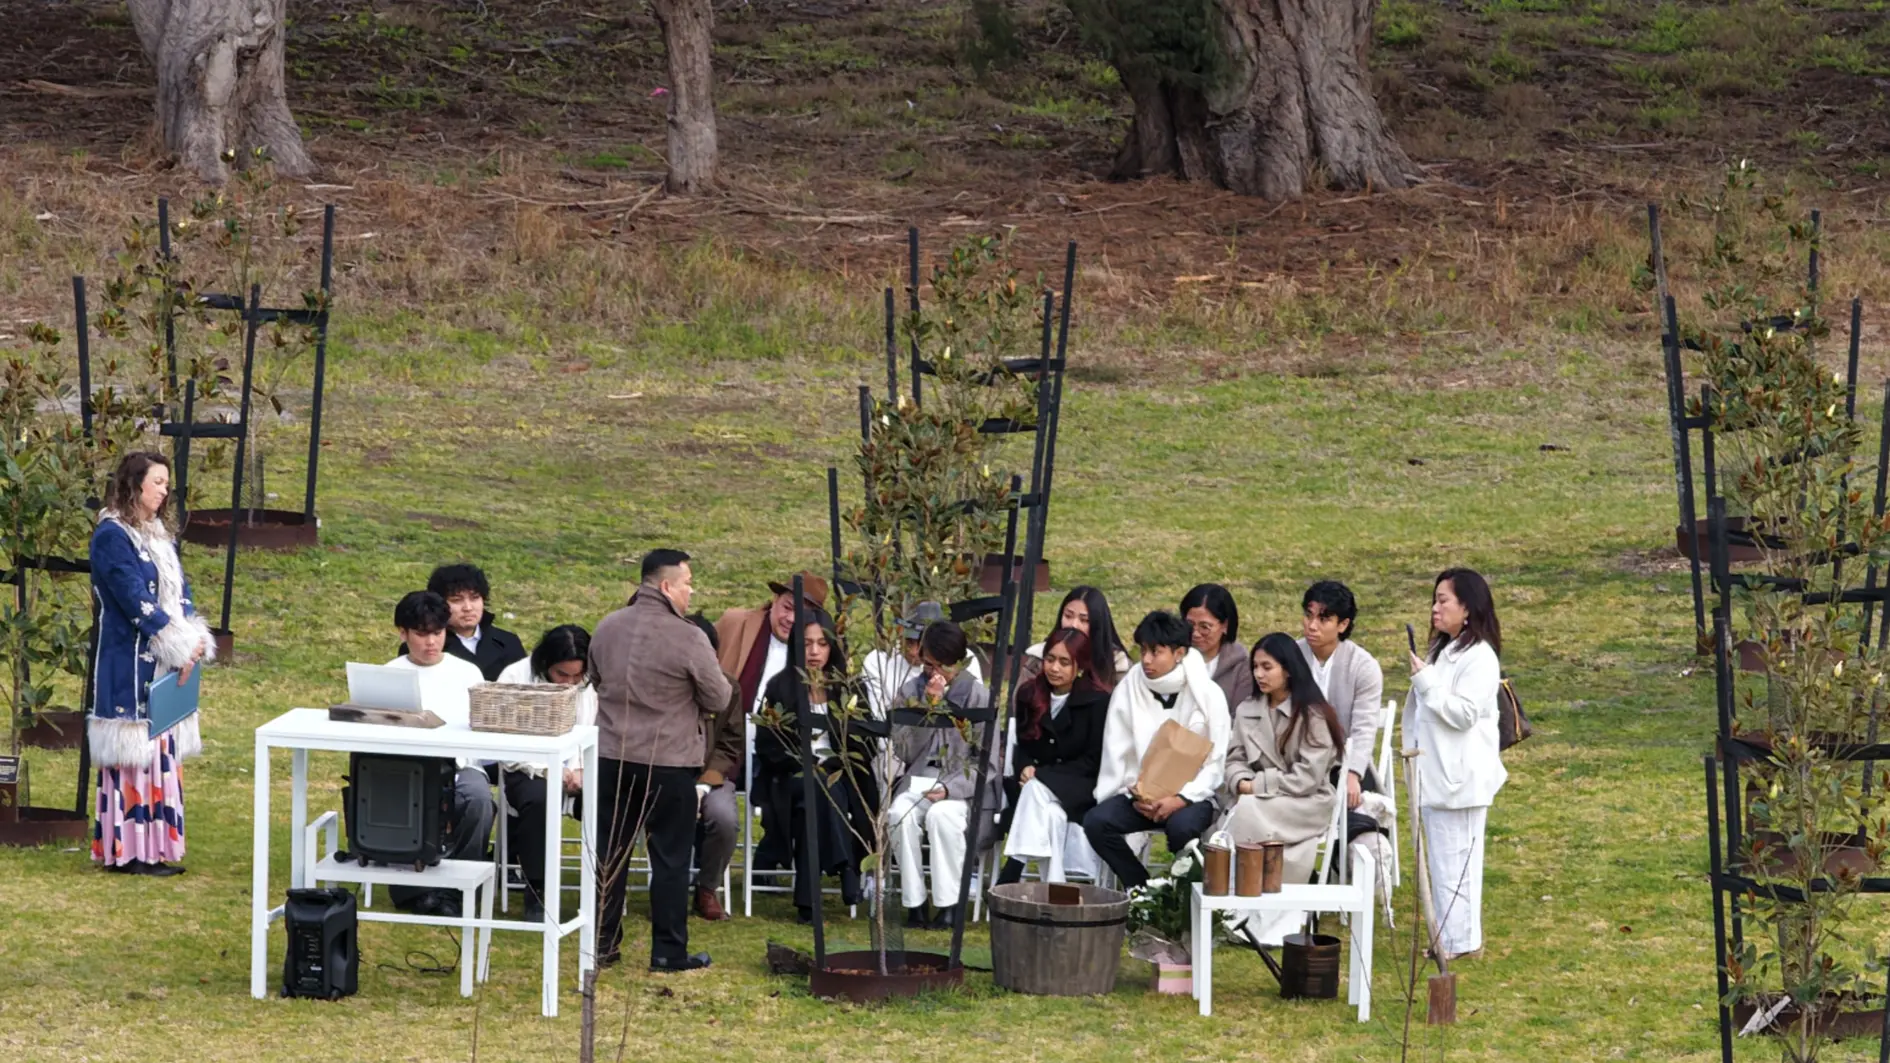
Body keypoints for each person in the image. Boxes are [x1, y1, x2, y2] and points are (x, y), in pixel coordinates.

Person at [591, 548, 730, 972]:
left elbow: (596, 680)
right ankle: (668, 951)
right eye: (688, 584)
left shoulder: (607, 626)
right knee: (669, 859)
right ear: (667, 585)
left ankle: (603, 943)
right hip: (667, 761)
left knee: (610, 856)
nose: (691, 592)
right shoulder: (689, 636)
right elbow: (720, 696)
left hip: (612, 756)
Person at [88, 451, 215, 877]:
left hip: (164, 658)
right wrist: (176, 642)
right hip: (129, 660)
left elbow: (180, 592)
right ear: (134, 485)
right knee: (134, 753)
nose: (164, 490)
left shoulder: (158, 534)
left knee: (160, 752)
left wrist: (193, 640)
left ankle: (155, 848)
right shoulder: (112, 536)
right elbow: (133, 600)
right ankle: (128, 853)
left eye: (165, 483)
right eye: (157, 482)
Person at [1083, 610, 1231, 890]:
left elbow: (1216, 762)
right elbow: (1118, 752)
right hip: (1142, 796)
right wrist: (1138, 794)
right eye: (1143, 651)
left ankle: (1185, 896)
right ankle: (1143, 890)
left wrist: (1181, 798)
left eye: (1156, 652)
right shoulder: (1129, 688)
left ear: (1179, 653)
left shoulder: (1208, 694)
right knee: (1096, 822)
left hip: (1193, 796)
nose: (1147, 660)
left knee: (1181, 828)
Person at [1404, 567, 1506, 962]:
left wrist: (1426, 682)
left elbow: (1463, 714)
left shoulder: (1479, 657)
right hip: (1436, 775)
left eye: (1443, 600)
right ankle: (1449, 936)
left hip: (1460, 779)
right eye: (1435, 599)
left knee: (1459, 861)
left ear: (1468, 608)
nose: (1435, 608)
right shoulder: (1445, 651)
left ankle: (1461, 941)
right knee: (1444, 862)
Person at [1219, 632, 1346, 945]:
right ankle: (1242, 914)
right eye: (1256, 667)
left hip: (1305, 802)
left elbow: (1308, 778)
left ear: (1288, 669)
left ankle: (1254, 916)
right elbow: (1233, 760)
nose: (1259, 674)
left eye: (1267, 667)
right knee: (1241, 811)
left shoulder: (1314, 714)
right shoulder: (1247, 710)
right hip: (1261, 799)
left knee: (1243, 812)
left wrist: (1257, 785)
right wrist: (1240, 781)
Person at [753, 608, 877, 924]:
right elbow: (768, 745)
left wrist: (833, 761)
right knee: (816, 785)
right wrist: (803, 760)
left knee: (819, 796)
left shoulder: (850, 687)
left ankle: (808, 902)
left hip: (841, 778)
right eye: (807, 643)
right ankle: (846, 868)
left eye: (822, 644)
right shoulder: (780, 686)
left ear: (832, 646)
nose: (814, 652)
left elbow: (867, 743)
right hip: (789, 775)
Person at [385, 590, 496, 917]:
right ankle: (412, 889)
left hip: (461, 765)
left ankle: (460, 885)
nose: (431, 642)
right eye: (421, 634)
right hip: (405, 768)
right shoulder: (390, 673)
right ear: (403, 634)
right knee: (395, 796)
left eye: (437, 633)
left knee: (477, 798)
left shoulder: (468, 673)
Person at [888, 620, 999, 929]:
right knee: (899, 814)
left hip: (961, 788)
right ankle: (915, 903)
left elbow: (986, 763)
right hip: (920, 779)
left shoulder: (978, 697)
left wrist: (951, 789)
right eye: (928, 665)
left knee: (942, 816)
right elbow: (906, 752)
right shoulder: (911, 692)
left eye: (942, 667)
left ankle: (948, 903)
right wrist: (929, 709)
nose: (934, 674)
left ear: (958, 663)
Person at [714, 571, 827, 876]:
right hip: (726, 743)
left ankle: (771, 853)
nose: (790, 619)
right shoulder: (736, 623)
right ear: (775, 601)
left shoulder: (816, 650)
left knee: (791, 783)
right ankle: (704, 862)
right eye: (787, 607)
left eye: (802, 614)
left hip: (778, 752)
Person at [494, 625, 598, 923]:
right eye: (562, 675)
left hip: (578, 766)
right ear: (545, 664)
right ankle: (537, 891)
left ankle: (602, 889)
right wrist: (553, 770)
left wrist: (580, 769)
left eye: (576, 676)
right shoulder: (515, 678)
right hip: (526, 769)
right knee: (540, 799)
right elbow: (508, 744)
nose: (569, 683)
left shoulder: (588, 684)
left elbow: (589, 730)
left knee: (609, 798)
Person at [996, 627, 1109, 885]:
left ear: (1079, 666)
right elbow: (1022, 744)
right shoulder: (1029, 694)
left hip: (1078, 785)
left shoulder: (1097, 702)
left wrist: (1041, 777)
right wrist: (1025, 767)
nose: (1054, 668)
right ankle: (1055, 891)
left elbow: (1093, 761)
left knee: (1036, 790)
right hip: (1033, 789)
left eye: (1064, 662)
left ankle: (1012, 870)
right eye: (1050, 659)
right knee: (1050, 816)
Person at [1296, 580, 1385, 811]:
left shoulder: (1363, 666)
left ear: (1343, 624)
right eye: (1309, 615)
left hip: (1341, 763)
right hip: (1296, 762)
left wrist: (1353, 772)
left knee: (1357, 813)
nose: (1312, 625)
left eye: (1323, 619)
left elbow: (1364, 727)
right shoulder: (1290, 656)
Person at [686, 614, 741, 923]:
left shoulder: (728, 688)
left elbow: (732, 742)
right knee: (664, 811)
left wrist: (704, 784)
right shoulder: (662, 687)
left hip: (712, 776)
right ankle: (667, 885)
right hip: (667, 773)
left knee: (724, 818)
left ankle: (707, 888)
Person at [860, 601, 983, 718]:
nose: (914, 652)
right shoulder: (878, 661)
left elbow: (976, 707)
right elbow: (882, 719)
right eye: (909, 641)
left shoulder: (961, 660)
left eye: (921, 643)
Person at [409, 563, 527, 681]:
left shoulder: (509, 642)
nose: (468, 608)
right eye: (457, 600)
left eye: (474, 598)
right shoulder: (423, 646)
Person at [1022, 586, 1131, 686]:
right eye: (1068, 616)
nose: (1074, 625)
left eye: (1084, 620)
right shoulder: (1039, 658)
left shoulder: (1117, 664)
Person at [1181, 583, 1254, 710]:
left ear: (1225, 625)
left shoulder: (1242, 668)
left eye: (1205, 627)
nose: (1195, 633)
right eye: (1190, 624)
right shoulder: (1172, 656)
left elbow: (1240, 718)